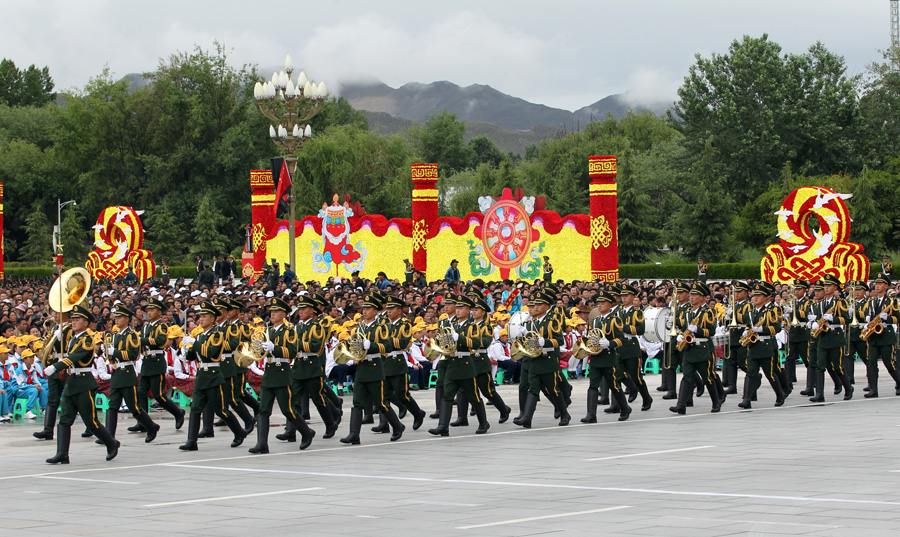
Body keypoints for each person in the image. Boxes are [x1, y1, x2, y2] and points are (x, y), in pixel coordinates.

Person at [43, 305, 120, 464]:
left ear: (86, 322)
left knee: (91, 421)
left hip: (84, 384)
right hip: (71, 382)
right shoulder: (74, 338)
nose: (73, 322)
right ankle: (62, 454)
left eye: (77, 319)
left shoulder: (87, 339)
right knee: (64, 419)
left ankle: (111, 443)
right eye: (72, 319)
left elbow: (76, 356)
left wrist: (56, 366)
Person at [248, 297, 316, 453]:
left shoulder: (290, 330)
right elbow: (261, 352)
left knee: (287, 409)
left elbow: (293, 351)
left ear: (284, 314)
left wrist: (274, 348)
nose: (272, 314)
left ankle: (306, 433)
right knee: (263, 410)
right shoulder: (269, 330)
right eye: (271, 311)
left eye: (276, 311)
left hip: (282, 371)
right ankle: (262, 444)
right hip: (270, 371)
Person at [178, 301, 247, 451]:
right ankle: (191, 441)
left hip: (214, 376)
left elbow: (210, 352)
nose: (201, 319)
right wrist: (186, 350)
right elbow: (193, 356)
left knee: (221, 409)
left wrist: (194, 343)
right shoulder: (201, 334)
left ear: (212, 318)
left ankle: (239, 432)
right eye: (200, 316)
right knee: (196, 408)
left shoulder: (217, 334)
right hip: (202, 375)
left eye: (204, 316)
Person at [340, 293, 405, 444]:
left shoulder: (381, 327)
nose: (365, 311)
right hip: (362, 368)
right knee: (357, 402)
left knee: (381, 402)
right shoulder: (359, 327)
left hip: (375, 367)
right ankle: (354, 434)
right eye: (364, 308)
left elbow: (388, 346)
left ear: (375, 311)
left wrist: (372, 346)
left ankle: (397, 426)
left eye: (368, 308)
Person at [277, 294, 338, 443]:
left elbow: (316, 347)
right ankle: (290, 431)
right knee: (293, 401)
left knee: (318, 398)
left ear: (312, 310)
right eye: (300, 309)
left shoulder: (317, 326)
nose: (301, 312)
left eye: (304, 309)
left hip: (312, 366)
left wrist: (296, 344)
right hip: (298, 366)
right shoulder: (298, 326)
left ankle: (330, 424)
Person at [97, 304, 160, 443]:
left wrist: (115, 352)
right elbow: (111, 357)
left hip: (127, 373)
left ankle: (151, 426)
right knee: (112, 406)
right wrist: (107, 352)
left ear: (126, 319)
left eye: (120, 317)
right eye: (116, 317)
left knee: (134, 408)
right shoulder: (115, 336)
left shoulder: (131, 335)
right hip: (117, 372)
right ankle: (109, 436)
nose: (116, 320)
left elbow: (133, 354)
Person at [429, 294, 490, 436]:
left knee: (474, 396)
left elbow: (477, 343)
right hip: (452, 363)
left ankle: (483, 423)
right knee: (447, 395)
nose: (457, 310)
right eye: (457, 307)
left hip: (466, 364)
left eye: (461, 308)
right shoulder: (452, 325)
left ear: (468, 309)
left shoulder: (472, 326)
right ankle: (443, 426)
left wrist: (460, 338)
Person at [513, 289, 570, 428]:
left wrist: (545, 342)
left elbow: (559, 341)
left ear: (546, 306)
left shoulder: (552, 321)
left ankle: (564, 414)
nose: (534, 308)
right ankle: (527, 418)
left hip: (548, 359)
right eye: (532, 305)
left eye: (538, 305)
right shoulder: (528, 323)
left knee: (553, 389)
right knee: (533, 389)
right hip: (533, 359)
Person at [374, 294, 426, 432]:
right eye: (388, 308)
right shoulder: (383, 323)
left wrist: (385, 341)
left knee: (402, 394)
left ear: (399, 310)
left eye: (392, 308)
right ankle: (384, 424)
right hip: (384, 361)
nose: (388, 311)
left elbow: (403, 343)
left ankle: (418, 413)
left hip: (397, 362)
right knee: (383, 396)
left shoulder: (405, 324)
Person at [669, 282, 721, 414]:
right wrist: (681, 335)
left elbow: (712, 331)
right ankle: (681, 405)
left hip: (703, 349)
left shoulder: (708, 312)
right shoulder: (687, 312)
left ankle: (716, 402)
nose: (692, 297)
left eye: (695, 295)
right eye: (691, 294)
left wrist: (697, 329)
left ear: (704, 297)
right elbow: (682, 327)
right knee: (687, 377)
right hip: (689, 348)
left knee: (707, 378)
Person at [135, 298, 185, 433]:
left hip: (156, 361)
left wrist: (141, 340)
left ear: (158, 311)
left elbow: (160, 341)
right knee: (141, 392)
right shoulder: (146, 326)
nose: (149, 312)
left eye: (152, 310)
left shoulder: (161, 326)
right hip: (147, 361)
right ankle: (143, 422)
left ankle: (178, 412)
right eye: (148, 310)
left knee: (158, 395)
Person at [581, 289, 631, 423]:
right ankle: (591, 415)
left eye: (603, 302)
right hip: (596, 358)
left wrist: (609, 343)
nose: (599, 305)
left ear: (610, 304)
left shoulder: (615, 320)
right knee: (593, 386)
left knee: (614, 386)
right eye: (598, 302)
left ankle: (625, 408)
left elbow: (623, 339)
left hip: (609, 358)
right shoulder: (595, 321)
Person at [737, 282, 785, 409]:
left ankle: (780, 394)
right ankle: (747, 399)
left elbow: (777, 328)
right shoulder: (750, 313)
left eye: (759, 295)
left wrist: (761, 329)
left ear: (765, 297)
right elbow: (748, 325)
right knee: (751, 373)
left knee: (770, 374)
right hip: (753, 347)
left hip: (766, 346)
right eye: (754, 295)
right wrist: (746, 331)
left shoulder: (770, 312)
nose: (755, 298)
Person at [467, 293, 511, 424]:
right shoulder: (469, 325)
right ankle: (477, 410)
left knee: (488, 391)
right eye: (472, 310)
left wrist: (468, 341)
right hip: (469, 360)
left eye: (476, 310)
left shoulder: (486, 327)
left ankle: (503, 409)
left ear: (483, 312)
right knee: (468, 389)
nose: (473, 312)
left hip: (480, 359)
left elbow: (485, 342)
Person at [863, 273, 898, 397]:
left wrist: (887, 318)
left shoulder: (892, 301)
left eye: (880, 283)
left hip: (886, 336)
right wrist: (867, 319)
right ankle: (873, 390)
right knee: (871, 363)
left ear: (886, 286)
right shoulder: (871, 301)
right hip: (873, 336)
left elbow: (897, 318)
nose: (877, 286)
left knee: (889, 363)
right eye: (876, 283)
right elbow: (867, 314)